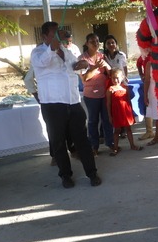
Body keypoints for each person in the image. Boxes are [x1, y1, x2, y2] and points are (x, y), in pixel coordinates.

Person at [30, 21, 101, 188]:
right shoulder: (38, 52)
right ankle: (65, 175)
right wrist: (52, 48)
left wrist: (82, 65)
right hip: (53, 105)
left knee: (82, 140)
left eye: (59, 33)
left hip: (73, 102)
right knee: (58, 142)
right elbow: (42, 63)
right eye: (54, 33)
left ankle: (92, 173)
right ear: (44, 36)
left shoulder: (67, 51)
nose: (58, 36)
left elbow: (75, 67)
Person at [24, 52, 77, 166]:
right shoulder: (38, 63)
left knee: (67, 125)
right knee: (53, 129)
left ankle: (72, 150)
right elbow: (28, 79)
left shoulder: (61, 58)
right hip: (48, 101)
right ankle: (55, 156)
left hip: (65, 99)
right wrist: (36, 95)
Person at [79, 33, 114, 156]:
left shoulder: (102, 56)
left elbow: (110, 74)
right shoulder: (82, 59)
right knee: (93, 121)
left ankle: (110, 143)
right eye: (92, 41)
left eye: (97, 41)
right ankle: (94, 146)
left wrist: (107, 68)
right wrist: (95, 68)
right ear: (86, 43)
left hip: (104, 94)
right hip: (91, 96)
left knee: (107, 120)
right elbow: (84, 79)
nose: (95, 43)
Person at [106, 68, 142, 155]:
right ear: (110, 78)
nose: (116, 80)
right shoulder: (110, 89)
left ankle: (132, 145)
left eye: (117, 77)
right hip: (116, 113)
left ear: (122, 77)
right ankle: (115, 148)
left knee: (128, 129)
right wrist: (110, 116)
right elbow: (108, 104)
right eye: (113, 78)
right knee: (117, 130)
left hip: (126, 112)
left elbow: (129, 101)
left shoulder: (125, 88)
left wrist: (132, 113)